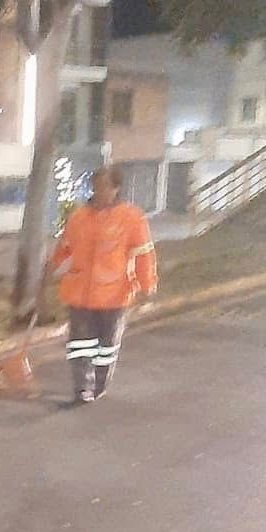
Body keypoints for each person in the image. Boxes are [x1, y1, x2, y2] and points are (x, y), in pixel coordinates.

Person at [49, 166, 158, 405]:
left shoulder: (132, 218)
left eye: (105, 186)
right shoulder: (78, 217)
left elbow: (143, 255)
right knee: (79, 346)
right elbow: (65, 249)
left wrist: (146, 286)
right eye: (96, 186)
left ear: (116, 188)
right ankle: (82, 390)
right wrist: (51, 269)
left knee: (105, 347)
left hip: (114, 295)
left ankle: (99, 385)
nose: (99, 191)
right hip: (80, 293)